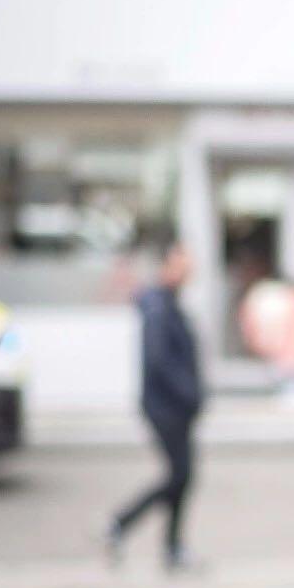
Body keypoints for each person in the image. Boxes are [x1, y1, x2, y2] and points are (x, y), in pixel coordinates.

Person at [103, 238, 205, 570]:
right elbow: (159, 360)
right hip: (166, 407)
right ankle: (121, 524)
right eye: (182, 262)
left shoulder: (168, 302)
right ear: (167, 265)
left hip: (175, 406)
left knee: (181, 476)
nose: (189, 269)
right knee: (179, 475)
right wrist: (189, 393)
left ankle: (170, 546)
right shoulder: (159, 306)